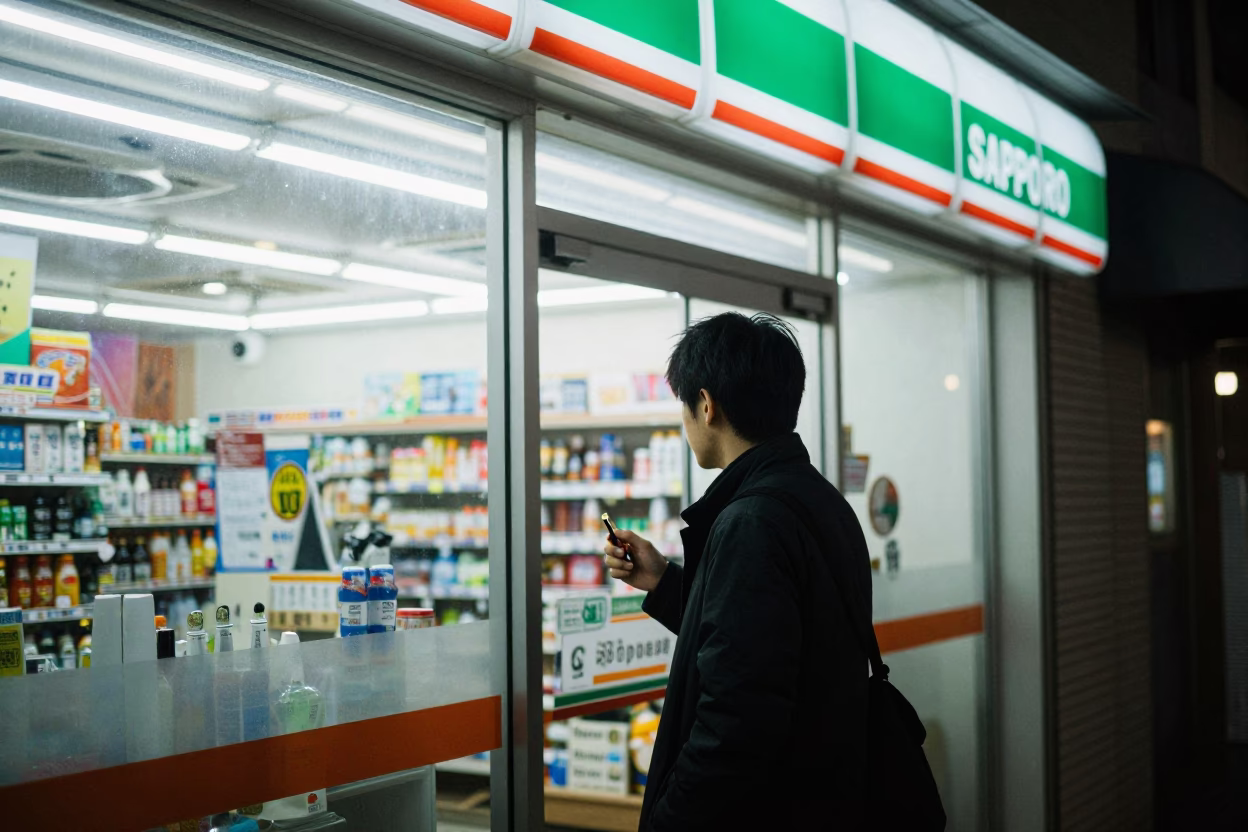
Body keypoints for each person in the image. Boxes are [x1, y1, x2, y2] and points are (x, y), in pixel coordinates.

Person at [604, 312, 872, 831]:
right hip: (827, 795)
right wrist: (664, 582)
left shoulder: (750, 521)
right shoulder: (818, 499)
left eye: (683, 406)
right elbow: (769, 643)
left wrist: (668, 820)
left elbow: (737, 722)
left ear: (706, 405)